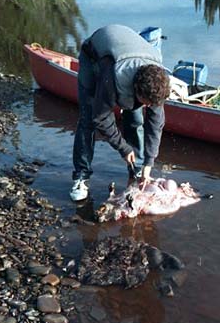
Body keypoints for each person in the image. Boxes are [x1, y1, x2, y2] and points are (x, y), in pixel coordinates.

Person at [70, 24, 170, 201]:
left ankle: (138, 168)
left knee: (135, 116)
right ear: (137, 90)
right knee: (88, 119)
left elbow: (156, 125)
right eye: (146, 102)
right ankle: (81, 176)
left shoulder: (158, 82)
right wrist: (123, 147)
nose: (148, 106)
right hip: (94, 55)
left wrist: (149, 162)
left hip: (127, 52)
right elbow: (100, 117)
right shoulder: (114, 78)